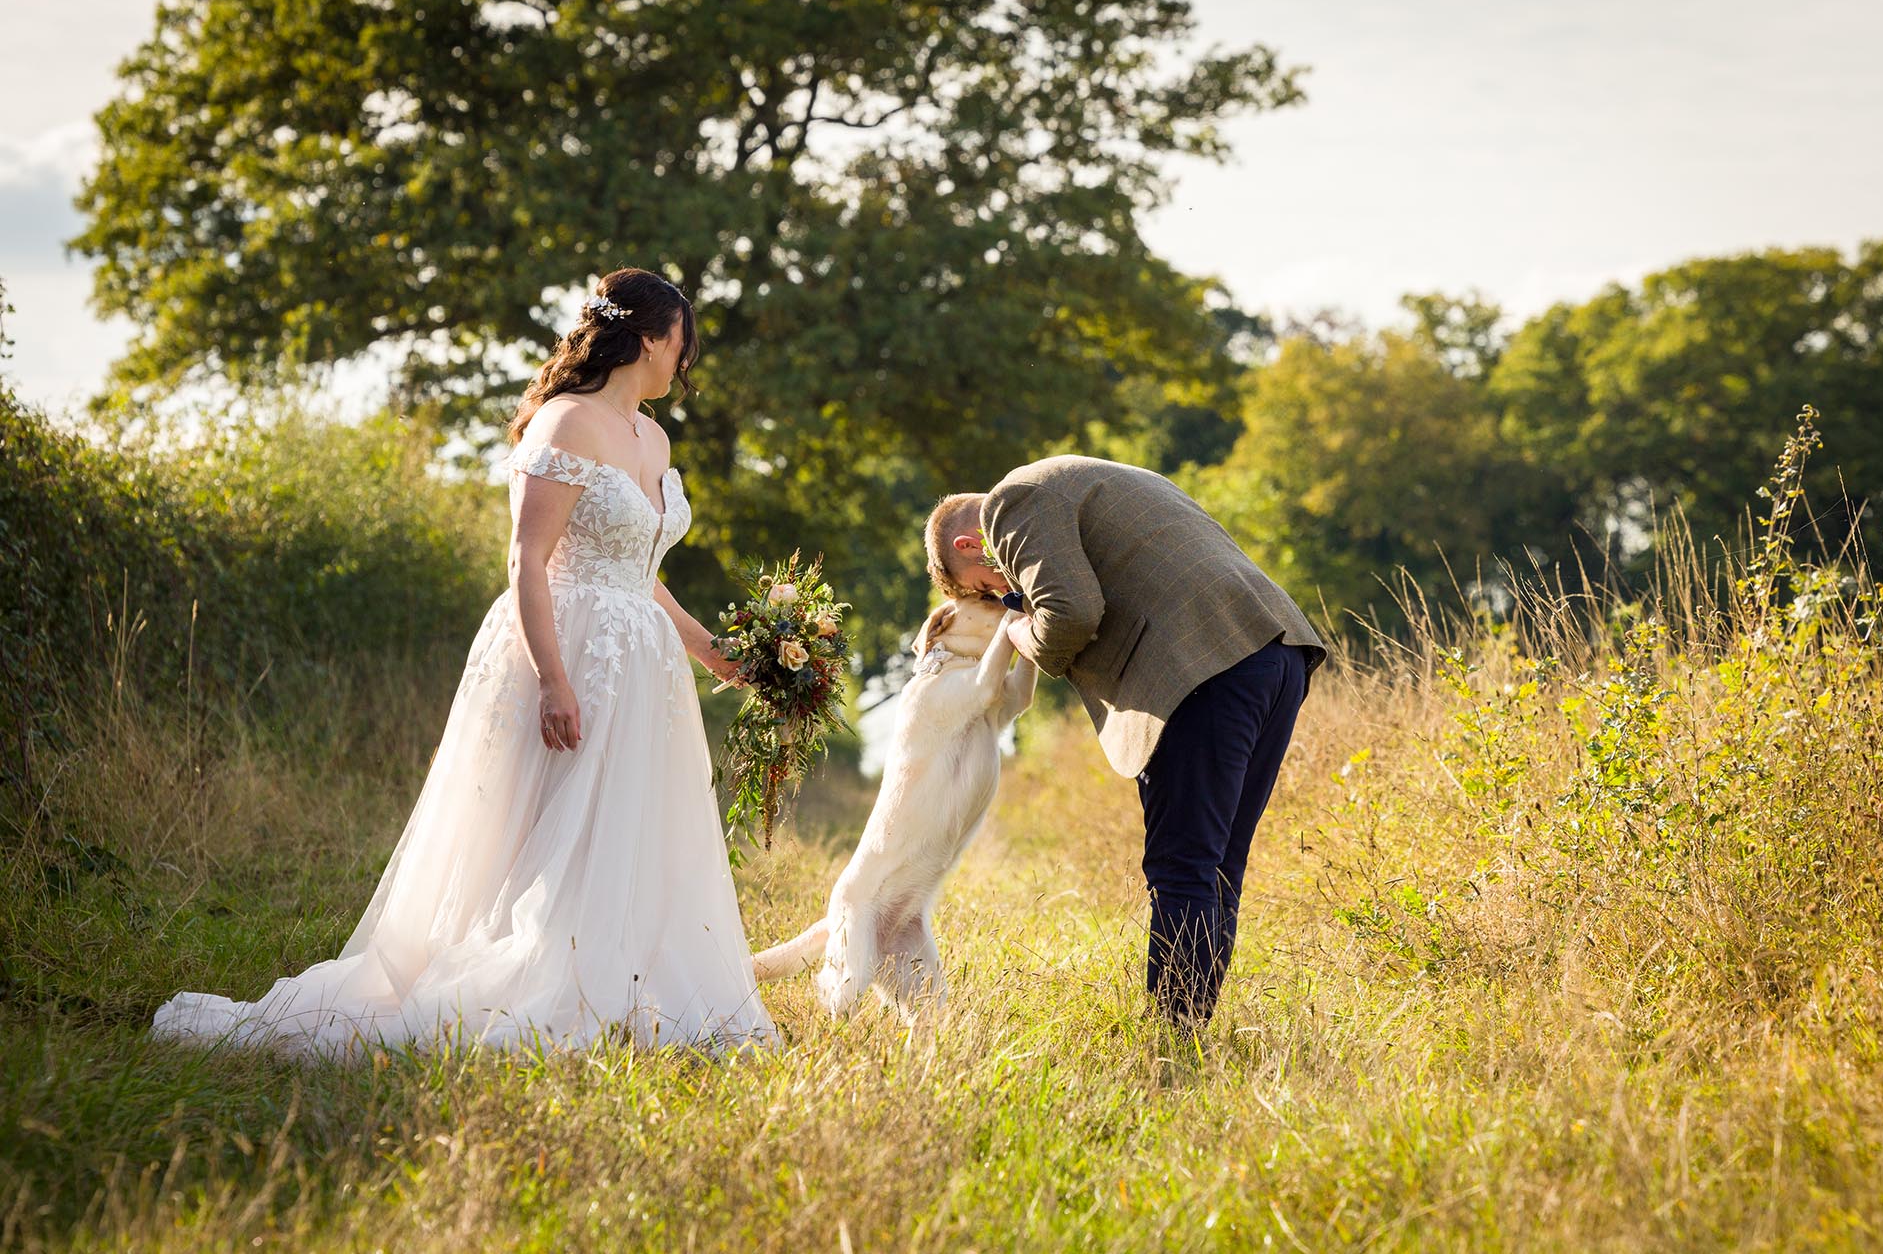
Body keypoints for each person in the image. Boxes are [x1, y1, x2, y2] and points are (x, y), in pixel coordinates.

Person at [151, 268, 782, 1058]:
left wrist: (712, 653)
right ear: (650, 338)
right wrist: (553, 678)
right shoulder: (565, 422)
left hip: (642, 668)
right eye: (682, 347)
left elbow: (641, 569)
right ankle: (527, 982)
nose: (683, 367)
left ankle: (618, 983)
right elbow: (527, 559)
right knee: (540, 828)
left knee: (624, 831)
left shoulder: (654, 439)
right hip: (568, 645)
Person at [924, 457, 1327, 1029]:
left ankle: (1171, 1041)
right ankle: (1190, 1032)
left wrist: (1018, 628)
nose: (1007, 595)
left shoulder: (1010, 504)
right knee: (1216, 868)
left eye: (988, 589)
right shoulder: (1101, 477)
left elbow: (1071, 612)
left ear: (971, 544)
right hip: (1277, 652)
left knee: (1183, 867)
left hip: (1202, 670)